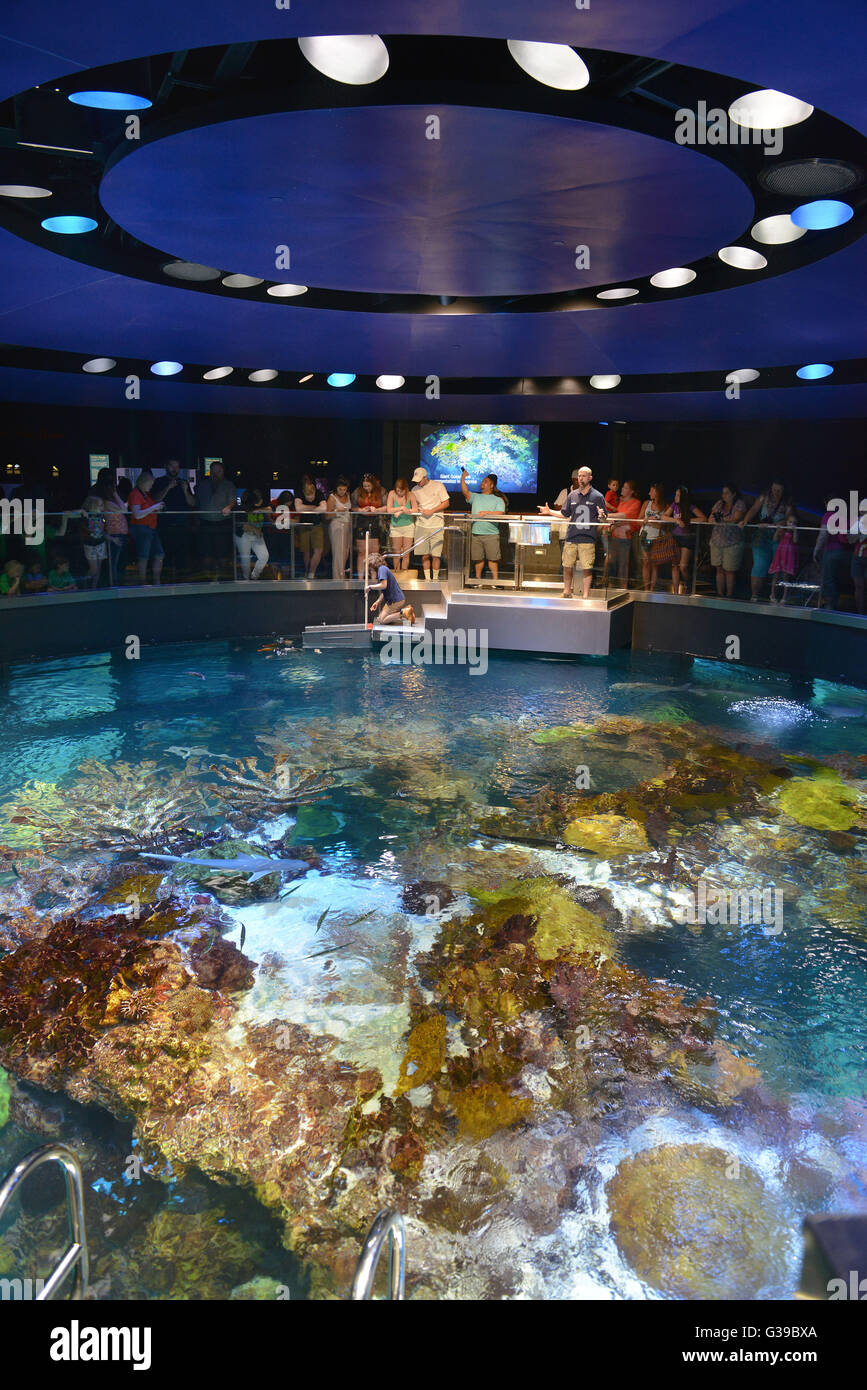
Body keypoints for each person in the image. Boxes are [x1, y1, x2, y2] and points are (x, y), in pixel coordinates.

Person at [539, 465, 607, 599]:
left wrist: (601, 515)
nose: (581, 478)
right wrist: (549, 512)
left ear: (590, 478)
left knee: (587, 568)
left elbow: (604, 517)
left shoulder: (597, 496)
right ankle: (566, 592)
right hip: (571, 537)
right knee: (566, 565)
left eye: (584, 476)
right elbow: (565, 514)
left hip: (588, 538)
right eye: (579, 476)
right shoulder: (572, 495)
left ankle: (585, 595)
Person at [740, 478, 789, 602]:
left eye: (779, 490)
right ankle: (754, 595)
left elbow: (789, 518)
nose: (776, 493)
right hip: (761, 535)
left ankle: (774, 596)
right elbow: (754, 509)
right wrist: (745, 520)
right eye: (774, 490)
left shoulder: (788, 501)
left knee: (778, 568)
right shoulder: (764, 496)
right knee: (759, 566)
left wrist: (778, 524)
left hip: (778, 536)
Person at [153, 458, 196, 581]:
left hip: (182, 525)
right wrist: (168, 488)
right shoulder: (159, 482)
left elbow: (192, 503)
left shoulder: (183, 482)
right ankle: (164, 582)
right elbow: (155, 500)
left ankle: (181, 583)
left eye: (176, 466)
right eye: (172, 466)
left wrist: (185, 490)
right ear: (166, 466)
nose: (174, 469)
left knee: (181, 557)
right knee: (164, 556)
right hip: (164, 525)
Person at [461, 468, 506, 585]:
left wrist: (486, 513)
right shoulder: (476, 497)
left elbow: (501, 513)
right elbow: (465, 491)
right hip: (476, 532)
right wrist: (463, 478)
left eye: (485, 481)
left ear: (492, 485)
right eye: (482, 481)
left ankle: (496, 581)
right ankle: (477, 579)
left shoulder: (498, 499)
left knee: (493, 559)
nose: (482, 483)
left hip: (491, 534)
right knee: (478, 558)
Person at [196, 462, 236, 580]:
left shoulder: (229, 485)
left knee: (222, 552)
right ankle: (205, 578)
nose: (215, 473)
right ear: (210, 471)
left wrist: (229, 507)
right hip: (205, 522)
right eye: (213, 471)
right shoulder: (202, 485)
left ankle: (224, 578)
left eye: (218, 471)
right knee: (206, 552)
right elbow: (195, 503)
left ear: (223, 472)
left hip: (222, 523)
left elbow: (233, 500)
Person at [410, 467, 450, 581]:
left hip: (436, 524)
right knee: (424, 554)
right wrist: (416, 510)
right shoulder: (414, 490)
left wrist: (432, 510)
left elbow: (446, 503)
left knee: (436, 554)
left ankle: (436, 578)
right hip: (421, 525)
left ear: (425, 477)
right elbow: (414, 506)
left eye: (419, 480)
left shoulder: (438, 485)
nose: (418, 482)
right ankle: (428, 579)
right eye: (416, 480)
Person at [664, 485, 706, 594]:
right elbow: (664, 516)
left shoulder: (690, 506)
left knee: (683, 566)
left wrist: (688, 520)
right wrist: (676, 520)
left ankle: (688, 583)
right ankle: (675, 592)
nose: (675, 497)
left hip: (687, 538)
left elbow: (703, 518)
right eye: (675, 494)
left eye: (678, 495)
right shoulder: (674, 505)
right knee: (675, 565)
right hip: (675, 537)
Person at [708, 484, 747, 597]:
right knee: (719, 569)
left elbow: (736, 518)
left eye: (726, 493)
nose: (723, 495)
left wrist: (721, 519)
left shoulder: (739, 504)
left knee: (729, 570)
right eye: (723, 493)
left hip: (732, 542)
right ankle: (720, 594)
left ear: (733, 494)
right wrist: (713, 520)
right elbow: (710, 517)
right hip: (717, 540)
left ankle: (729, 596)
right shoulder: (719, 503)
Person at [638, 484, 678, 592]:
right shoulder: (646, 503)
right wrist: (650, 520)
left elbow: (662, 525)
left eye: (651, 491)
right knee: (646, 561)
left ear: (657, 493)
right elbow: (640, 519)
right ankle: (646, 588)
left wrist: (650, 520)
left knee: (655, 564)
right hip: (644, 535)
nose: (649, 493)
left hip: (657, 537)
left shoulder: (666, 506)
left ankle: (652, 588)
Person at [813, 497, 851, 611]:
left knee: (828, 579)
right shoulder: (843, 515)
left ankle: (830, 606)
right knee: (837, 579)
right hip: (844, 552)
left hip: (831, 551)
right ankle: (836, 605)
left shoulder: (828, 515)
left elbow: (823, 535)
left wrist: (816, 550)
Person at [128, 469, 165, 585]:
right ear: (144, 482)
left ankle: (156, 581)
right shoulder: (135, 494)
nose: (152, 486)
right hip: (141, 528)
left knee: (159, 554)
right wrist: (154, 508)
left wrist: (157, 508)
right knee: (143, 556)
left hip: (151, 528)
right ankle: (142, 583)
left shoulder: (146, 494)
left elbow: (147, 510)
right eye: (151, 484)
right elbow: (137, 514)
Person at [608, 479, 642, 585]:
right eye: (623, 487)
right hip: (615, 535)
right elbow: (618, 517)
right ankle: (612, 584)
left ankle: (623, 587)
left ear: (631, 491)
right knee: (612, 562)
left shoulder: (636, 503)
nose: (622, 489)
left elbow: (624, 516)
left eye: (625, 488)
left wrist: (607, 515)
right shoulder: (620, 502)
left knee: (623, 564)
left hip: (626, 538)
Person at [352, 474, 386, 578]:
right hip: (362, 521)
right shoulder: (357, 492)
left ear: (373, 484)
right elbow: (353, 507)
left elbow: (387, 507)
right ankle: (360, 578)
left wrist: (377, 510)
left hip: (376, 522)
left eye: (368, 486)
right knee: (362, 552)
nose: (366, 488)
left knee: (374, 552)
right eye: (365, 486)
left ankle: (374, 577)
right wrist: (360, 510)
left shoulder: (382, 491)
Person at [367, 555, 415, 626]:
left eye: (370, 568)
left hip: (395, 600)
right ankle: (407, 612)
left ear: (373, 565)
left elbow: (383, 585)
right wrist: (377, 602)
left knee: (382, 620)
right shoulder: (383, 569)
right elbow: (384, 590)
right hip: (393, 600)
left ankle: (404, 612)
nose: (370, 570)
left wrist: (370, 587)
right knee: (380, 618)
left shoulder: (382, 569)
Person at [294, 477, 327, 578]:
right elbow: (298, 508)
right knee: (306, 551)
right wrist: (314, 508)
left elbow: (324, 508)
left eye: (312, 497)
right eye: (308, 497)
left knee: (318, 550)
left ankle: (311, 573)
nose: (310, 499)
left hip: (317, 525)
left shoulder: (319, 494)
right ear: (304, 493)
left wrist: (307, 508)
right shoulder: (299, 493)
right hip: (304, 525)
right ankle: (307, 571)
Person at [235, 487, 270, 579]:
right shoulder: (242, 509)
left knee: (264, 556)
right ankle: (246, 579)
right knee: (245, 559)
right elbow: (242, 525)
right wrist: (255, 529)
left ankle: (254, 576)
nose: (261, 500)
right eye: (258, 499)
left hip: (257, 536)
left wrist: (261, 510)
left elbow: (270, 509)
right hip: (243, 536)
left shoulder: (262, 507)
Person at [99, 478, 129, 585]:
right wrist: (115, 494)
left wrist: (116, 496)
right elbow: (124, 510)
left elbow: (124, 508)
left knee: (120, 561)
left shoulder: (112, 501)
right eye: (113, 488)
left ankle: (118, 581)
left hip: (121, 533)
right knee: (114, 561)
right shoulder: (106, 503)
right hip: (115, 533)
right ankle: (114, 583)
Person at [385, 476, 417, 571]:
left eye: (401, 491)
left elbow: (415, 509)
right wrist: (401, 508)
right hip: (396, 527)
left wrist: (404, 511)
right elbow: (389, 509)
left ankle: (404, 572)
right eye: (398, 491)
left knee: (406, 553)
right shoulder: (392, 493)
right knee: (396, 552)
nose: (399, 493)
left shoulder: (411, 495)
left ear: (406, 489)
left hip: (408, 526)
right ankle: (396, 572)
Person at [769, 507, 799, 604]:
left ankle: (784, 597)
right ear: (786, 522)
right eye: (790, 522)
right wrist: (777, 531)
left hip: (788, 556)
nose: (791, 524)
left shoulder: (794, 533)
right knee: (776, 575)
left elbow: (795, 541)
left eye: (794, 523)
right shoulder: (783, 531)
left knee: (786, 576)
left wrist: (794, 531)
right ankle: (772, 594)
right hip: (780, 554)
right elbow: (774, 539)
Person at [327, 478, 353, 579]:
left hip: (347, 524)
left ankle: (342, 574)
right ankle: (337, 577)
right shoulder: (332, 497)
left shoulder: (348, 495)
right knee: (338, 552)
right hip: (337, 524)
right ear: (336, 488)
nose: (342, 491)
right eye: (340, 489)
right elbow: (327, 516)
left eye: (344, 489)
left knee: (345, 551)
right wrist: (337, 510)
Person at [82, 493, 109, 588]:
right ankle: (85, 585)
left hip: (100, 543)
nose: (102, 507)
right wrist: (82, 511)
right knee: (94, 569)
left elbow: (103, 531)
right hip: (90, 544)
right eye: (100, 505)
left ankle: (94, 587)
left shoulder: (102, 516)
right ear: (93, 505)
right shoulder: (86, 515)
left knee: (99, 569)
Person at [268, 489, 294, 580]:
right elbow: (269, 517)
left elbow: (296, 520)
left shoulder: (293, 506)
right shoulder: (273, 503)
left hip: (287, 535)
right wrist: (275, 522)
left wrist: (283, 521)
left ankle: (285, 580)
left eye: (289, 503)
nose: (288, 505)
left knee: (286, 557)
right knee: (273, 557)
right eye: (287, 503)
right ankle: (274, 579)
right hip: (274, 534)